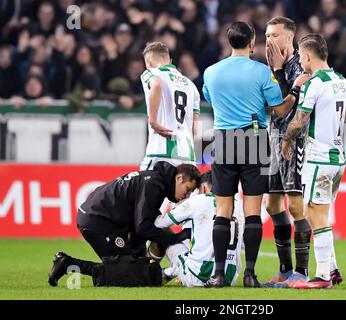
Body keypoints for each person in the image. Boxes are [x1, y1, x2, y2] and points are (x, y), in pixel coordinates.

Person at [202, 21, 310, 288]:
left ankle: (218, 274)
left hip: (223, 139)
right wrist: (295, 90)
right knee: (252, 212)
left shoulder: (210, 72)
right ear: (252, 43)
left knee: (223, 211)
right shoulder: (261, 72)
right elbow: (281, 109)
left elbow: (210, 98)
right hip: (254, 139)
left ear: (229, 42)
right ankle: (250, 275)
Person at [281, 34, 346, 289]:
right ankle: (333, 269)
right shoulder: (341, 81)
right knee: (318, 212)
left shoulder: (313, 84)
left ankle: (322, 277)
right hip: (338, 158)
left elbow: (300, 119)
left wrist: (286, 140)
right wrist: (330, 123)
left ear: (306, 56)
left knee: (315, 215)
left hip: (318, 157)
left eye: (301, 57)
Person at [47, 162, 201, 287]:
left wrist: (140, 256)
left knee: (137, 269)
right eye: (187, 189)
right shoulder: (155, 185)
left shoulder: (154, 180)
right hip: (98, 221)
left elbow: (140, 225)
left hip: (102, 218)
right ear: (179, 178)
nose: (186, 196)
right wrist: (176, 238)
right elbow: (142, 227)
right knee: (128, 274)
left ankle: (67, 263)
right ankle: (66, 263)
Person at [263, 16, 312, 288]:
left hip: (293, 140)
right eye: (267, 35)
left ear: (289, 38)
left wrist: (281, 72)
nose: (270, 40)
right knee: (272, 204)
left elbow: (289, 106)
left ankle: (302, 273)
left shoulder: (298, 66)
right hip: (272, 138)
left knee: (294, 205)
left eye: (275, 35)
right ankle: (285, 270)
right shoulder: (271, 67)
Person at [153, 171, 243, 287]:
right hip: (229, 278)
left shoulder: (199, 201)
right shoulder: (239, 206)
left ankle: (159, 269)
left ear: (204, 187)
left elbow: (161, 222)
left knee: (164, 230)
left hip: (198, 276)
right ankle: (171, 272)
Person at [139, 42, 200, 171]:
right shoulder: (191, 85)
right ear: (170, 60)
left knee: (139, 189)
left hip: (161, 152)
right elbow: (195, 129)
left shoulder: (151, 73)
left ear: (148, 63)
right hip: (188, 156)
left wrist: (153, 120)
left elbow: (156, 84)